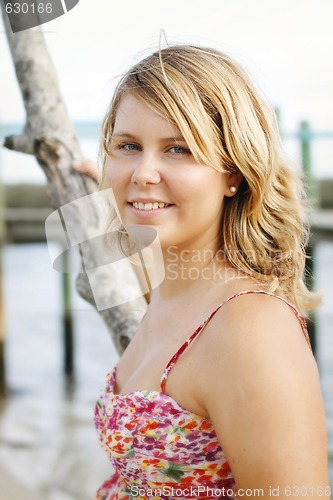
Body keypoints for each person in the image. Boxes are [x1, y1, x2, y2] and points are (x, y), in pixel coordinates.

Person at [75, 45, 329, 499]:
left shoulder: (251, 329)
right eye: (128, 146)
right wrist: (93, 180)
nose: (144, 172)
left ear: (233, 173)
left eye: (179, 149)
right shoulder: (172, 282)